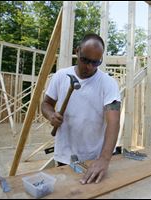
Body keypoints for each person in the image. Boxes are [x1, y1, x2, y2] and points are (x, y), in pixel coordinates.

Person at [41, 33, 121, 184]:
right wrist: (51, 115)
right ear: (77, 51)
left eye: (96, 62)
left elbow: (113, 121)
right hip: (64, 156)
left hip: (93, 158)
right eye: (85, 60)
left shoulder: (108, 83)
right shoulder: (60, 76)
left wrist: (104, 158)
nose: (89, 67)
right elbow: (46, 104)